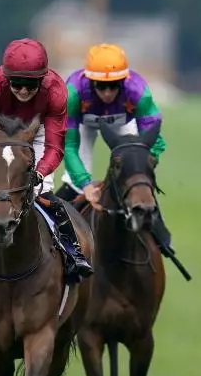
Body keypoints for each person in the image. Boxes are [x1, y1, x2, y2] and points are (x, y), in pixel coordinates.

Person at [0, 38, 94, 284]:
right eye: (17, 84)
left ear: (42, 79)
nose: (23, 91)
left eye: (30, 84)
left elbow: (54, 147)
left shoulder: (55, 91)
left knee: (43, 192)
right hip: (1, 131)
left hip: (39, 129)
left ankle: (73, 252)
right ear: (6, 78)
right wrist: (2, 166)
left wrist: (39, 172)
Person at [59, 43, 172, 248]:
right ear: (89, 81)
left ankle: (160, 235)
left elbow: (155, 139)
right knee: (73, 183)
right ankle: (57, 234)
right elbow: (69, 146)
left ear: (125, 81)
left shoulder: (139, 91)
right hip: (83, 126)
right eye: (101, 86)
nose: (108, 92)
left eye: (115, 85)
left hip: (124, 124)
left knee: (138, 178)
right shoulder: (73, 93)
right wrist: (85, 184)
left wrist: (145, 161)